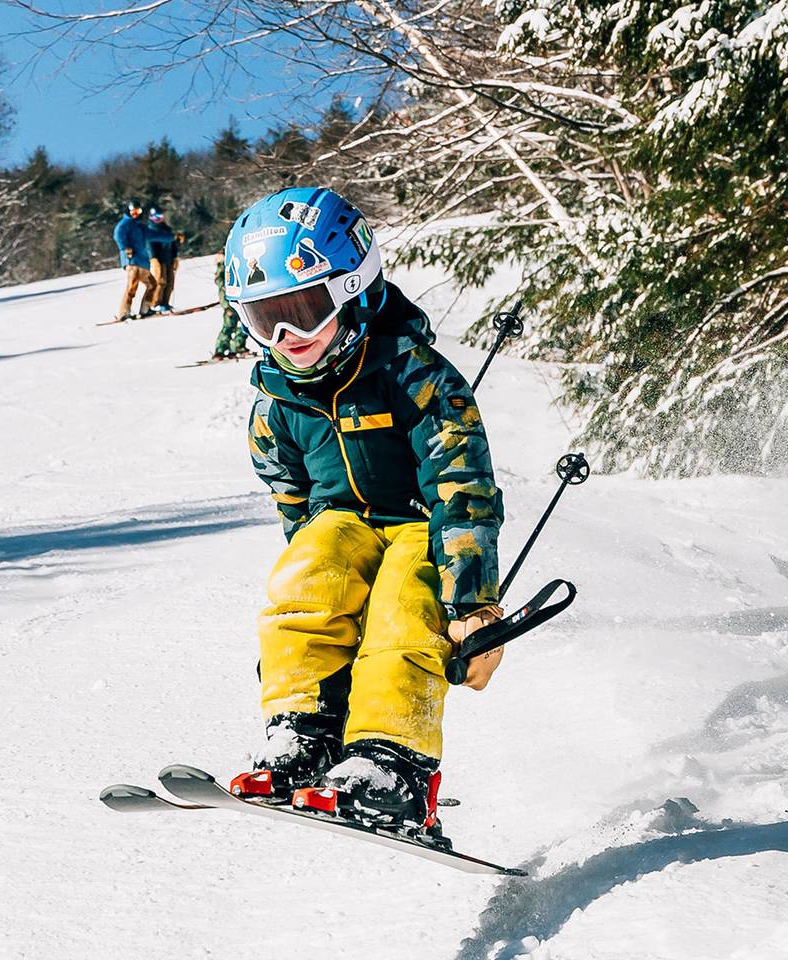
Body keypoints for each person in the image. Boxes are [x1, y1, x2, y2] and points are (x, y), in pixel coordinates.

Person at [222, 187, 506, 838]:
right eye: (266, 320)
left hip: (421, 525)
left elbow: (463, 486)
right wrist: (331, 612)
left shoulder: (417, 377)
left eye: (304, 311)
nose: (287, 338)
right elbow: (295, 514)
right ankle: (303, 732)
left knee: (407, 593)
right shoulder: (275, 409)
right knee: (311, 563)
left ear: (356, 288)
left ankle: (391, 763)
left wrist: (471, 605)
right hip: (345, 527)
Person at [112, 201, 158, 322]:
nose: (135, 215)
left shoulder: (139, 226)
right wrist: (125, 247)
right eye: (133, 212)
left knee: (152, 285)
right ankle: (124, 312)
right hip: (133, 261)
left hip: (142, 262)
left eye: (138, 212)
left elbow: (154, 235)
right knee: (132, 287)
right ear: (128, 211)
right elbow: (118, 235)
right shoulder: (125, 223)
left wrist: (171, 237)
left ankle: (145, 309)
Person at [144, 208, 179, 314]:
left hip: (168, 258)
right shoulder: (150, 229)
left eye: (161, 217)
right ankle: (156, 303)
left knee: (170, 281)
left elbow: (173, 243)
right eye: (156, 217)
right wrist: (153, 257)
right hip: (158, 259)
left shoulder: (167, 229)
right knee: (160, 281)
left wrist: (175, 257)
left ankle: (165, 303)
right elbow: (149, 244)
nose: (159, 219)